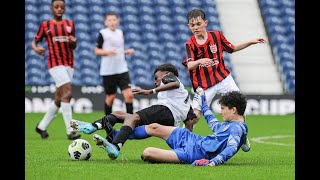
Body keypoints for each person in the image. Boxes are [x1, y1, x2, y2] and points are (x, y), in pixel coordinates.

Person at [70, 64, 196, 159]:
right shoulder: (184, 97)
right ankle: (100, 129)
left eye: (156, 77)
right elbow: (189, 122)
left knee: (133, 119)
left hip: (166, 110)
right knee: (121, 115)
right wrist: (186, 146)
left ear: (167, 73)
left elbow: (174, 83)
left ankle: (115, 145)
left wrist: (151, 91)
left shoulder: (170, 77)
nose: (155, 81)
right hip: (171, 123)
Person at [182, 8, 266, 151]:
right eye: (192, 25)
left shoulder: (216, 36)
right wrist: (200, 61)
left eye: (198, 24)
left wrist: (251, 42)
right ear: (189, 26)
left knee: (239, 106)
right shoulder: (190, 44)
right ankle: (185, 145)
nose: (196, 27)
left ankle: (243, 137)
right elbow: (190, 65)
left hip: (223, 78)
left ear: (205, 23)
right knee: (193, 117)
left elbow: (232, 48)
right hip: (203, 86)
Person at [140, 88, 249, 166]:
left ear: (233, 110)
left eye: (223, 108)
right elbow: (212, 121)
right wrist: (203, 101)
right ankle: (122, 135)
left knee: (148, 153)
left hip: (193, 154)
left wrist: (214, 162)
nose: (221, 112)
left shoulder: (237, 128)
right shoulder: (230, 125)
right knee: (153, 127)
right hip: (192, 139)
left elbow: (232, 147)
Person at [31, 0, 81, 140]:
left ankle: (41, 127)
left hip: (69, 64)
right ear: (51, 8)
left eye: (62, 7)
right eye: (56, 7)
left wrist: (73, 42)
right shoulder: (45, 25)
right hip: (54, 64)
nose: (59, 9)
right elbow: (35, 41)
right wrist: (36, 49)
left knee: (59, 98)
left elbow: (74, 45)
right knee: (68, 92)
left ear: (64, 9)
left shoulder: (70, 24)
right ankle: (70, 130)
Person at [94, 12, 135, 116]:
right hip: (108, 71)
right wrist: (108, 52)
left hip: (122, 69)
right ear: (105, 22)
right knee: (110, 98)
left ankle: (130, 122)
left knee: (129, 95)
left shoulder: (120, 32)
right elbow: (97, 51)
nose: (112, 22)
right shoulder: (103, 33)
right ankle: (107, 122)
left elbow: (119, 50)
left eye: (114, 20)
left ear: (118, 21)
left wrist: (126, 52)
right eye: (109, 20)